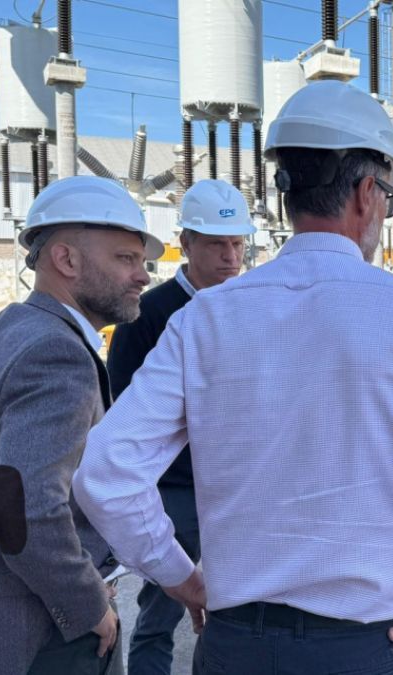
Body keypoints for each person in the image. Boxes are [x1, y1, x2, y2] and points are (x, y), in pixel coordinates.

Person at [73, 80, 393, 675]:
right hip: (375, 647)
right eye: (390, 201)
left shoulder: (203, 319)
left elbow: (107, 472)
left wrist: (180, 576)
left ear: (288, 192)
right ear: (368, 194)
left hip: (236, 645)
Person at [0, 175, 165, 674]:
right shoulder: (58, 352)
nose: (143, 275)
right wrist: (87, 604)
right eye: (126, 258)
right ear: (66, 260)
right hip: (49, 637)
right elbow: (26, 505)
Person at [106, 178, 256, 675]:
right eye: (216, 243)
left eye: (237, 243)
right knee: (162, 611)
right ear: (186, 243)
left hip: (238, 488)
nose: (230, 256)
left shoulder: (253, 305)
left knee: (238, 610)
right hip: (176, 492)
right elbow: (124, 406)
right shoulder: (148, 312)